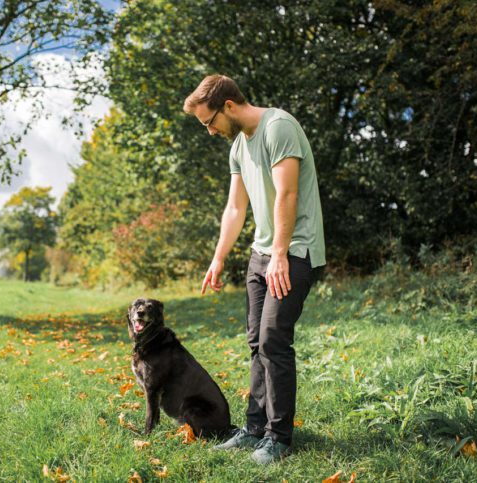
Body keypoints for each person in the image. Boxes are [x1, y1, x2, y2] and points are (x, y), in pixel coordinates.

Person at [183, 74, 326, 464]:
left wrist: (280, 253)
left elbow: (288, 193)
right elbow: (235, 208)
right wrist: (218, 257)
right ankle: (254, 429)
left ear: (228, 105)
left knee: (274, 341)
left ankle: (278, 438)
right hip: (262, 253)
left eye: (209, 122)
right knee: (255, 344)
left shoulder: (279, 127)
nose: (210, 131)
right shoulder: (238, 147)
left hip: (294, 251)